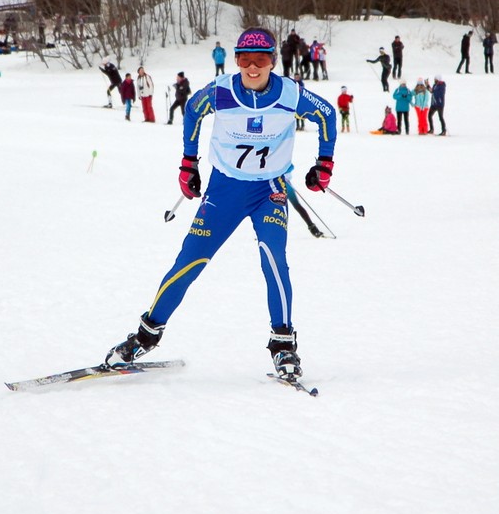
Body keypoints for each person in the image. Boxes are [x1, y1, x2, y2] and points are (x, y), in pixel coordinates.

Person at [104, 27, 337, 381]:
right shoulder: (222, 91)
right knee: (190, 261)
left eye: (260, 61)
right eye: (244, 60)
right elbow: (193, 112)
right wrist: (188, 163)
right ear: (236, 61)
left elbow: (327, 116)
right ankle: (145, 336)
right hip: (224, 190)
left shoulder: (290, 93)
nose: (252, 68)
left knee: (274, 259)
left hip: (269, 191)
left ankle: (283, 345)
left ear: (272, 62)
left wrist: (324, 164)